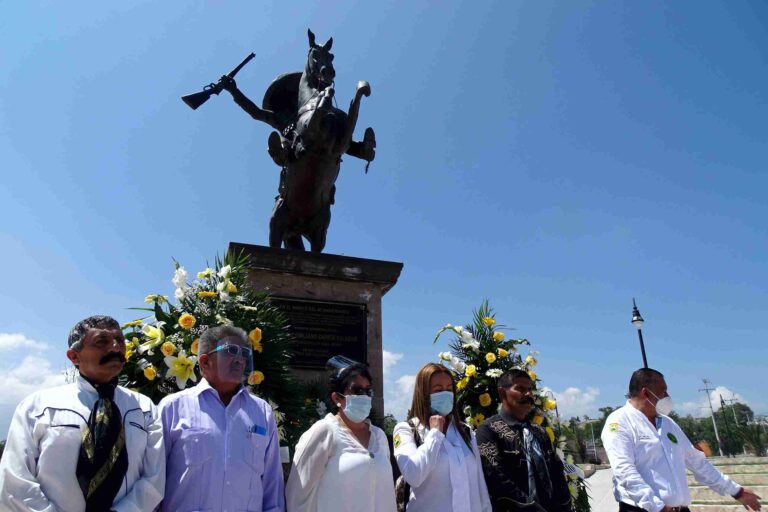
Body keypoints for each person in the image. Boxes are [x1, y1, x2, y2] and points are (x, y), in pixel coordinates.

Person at [0, 315, 165, 511]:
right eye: (101, 341)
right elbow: (15, 478)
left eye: (120, 340)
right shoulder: (38, 407)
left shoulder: (144, 408)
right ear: (73, 356)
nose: (115, 348)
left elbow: (154, 476)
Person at [159, 325, 284, 512]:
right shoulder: (173, 408)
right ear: (205, 362)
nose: (240, 359)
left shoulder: (262, 411)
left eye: (244, 353)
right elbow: (154, 479)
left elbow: (272, 483)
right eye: (231, 351)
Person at [601, 368, 762, 512]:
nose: (667, 396)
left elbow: (697, 461)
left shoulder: (668, 423)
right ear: (645, 393)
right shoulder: (619, 422)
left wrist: (736, 491)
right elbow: (625, 472)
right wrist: (657, 507)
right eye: (663, 391)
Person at [286, 356, 396, 512]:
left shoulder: (379, 436)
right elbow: (298, 498)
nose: (364, 396)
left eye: (367, 390)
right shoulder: (324, 432)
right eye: (357, 390)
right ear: (337, 397)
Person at [393, 362, 491, 511]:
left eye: (449, 389)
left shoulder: (465, 431)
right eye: (438, 390)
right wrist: (435, 435)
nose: (445, 394)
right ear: (424, 393)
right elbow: (413, 475)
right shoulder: (407, 430)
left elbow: (479, 485)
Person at [476, 369, 573, 512]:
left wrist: (564, 507)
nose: (528, 394)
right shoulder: (488, 430)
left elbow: (557, 472)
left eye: (530, 389)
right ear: (503, 393)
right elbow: (497, 479)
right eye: (520, 389)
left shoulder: (539, 432)